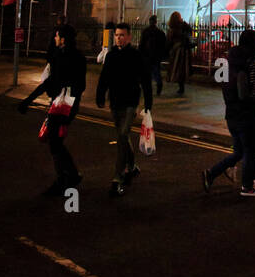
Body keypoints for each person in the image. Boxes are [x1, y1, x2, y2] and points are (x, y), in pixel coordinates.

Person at [17, 23, 87, 196]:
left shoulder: (64, 57)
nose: (55, 38)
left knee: (54, 141)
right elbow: (79, 85)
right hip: (65, 102)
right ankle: (69, 175)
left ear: (63, 39)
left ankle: (66, 177)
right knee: (55, 141)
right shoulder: (71, 56)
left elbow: (52, 82)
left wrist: (28, 100)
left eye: (56, 36)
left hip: (64, 104)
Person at [202, 30, 255, 196]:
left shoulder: (228, 60)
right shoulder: (251, 60)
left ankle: (211, 173)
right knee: (250, 151)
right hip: (246, 113)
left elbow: (223, 84)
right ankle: (247, 186)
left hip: (231, 113)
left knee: (239, 151)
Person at [95, 22, 152, 196]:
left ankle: (117, 178)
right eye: (117, 35)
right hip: (115, 102)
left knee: (122, 135)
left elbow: (145, 80)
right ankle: (132, 166)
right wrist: (100, 95)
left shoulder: (136, 56)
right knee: (123, 136)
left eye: (122, 35)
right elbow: (104, 77)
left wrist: (148, 103)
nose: (119, 38)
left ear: (129, 37)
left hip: (130, 103)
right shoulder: (111, 56)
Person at [139, 15, 168, 98]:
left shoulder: (145, 31)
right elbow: (163, 46)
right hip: (155, 56)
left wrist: (141, 54)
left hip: (147, 56)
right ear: (156, 22)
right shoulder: (160, 32)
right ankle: (159, 85)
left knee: (147, 72)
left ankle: (148, 87)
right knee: (156, 72)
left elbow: (142, 44)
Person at [166, 11, 193, 96]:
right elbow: (190, 31)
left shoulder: (173, 27)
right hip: (183, 50)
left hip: (176, 50)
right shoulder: (182, 26)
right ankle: (182, 85)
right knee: (182, 68)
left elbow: (169, 39)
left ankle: (180, 85)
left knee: (177, 68)